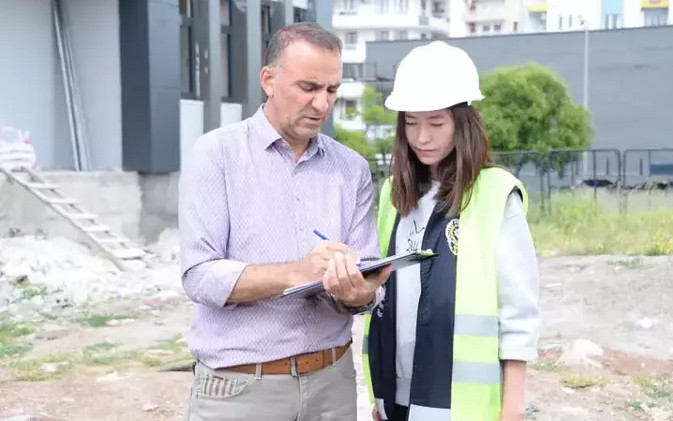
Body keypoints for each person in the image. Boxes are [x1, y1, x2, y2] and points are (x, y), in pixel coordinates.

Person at [179, 22, 390, 421]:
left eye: (331, 90)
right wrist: (297, 273)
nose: (322, 105)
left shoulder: (352, 169)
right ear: (268, 80)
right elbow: (199, 276)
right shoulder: (216, 155)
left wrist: (358, 291)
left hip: (333, 384)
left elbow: (364, 290)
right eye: (308, 88)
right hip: (241, 389)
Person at [362, 41, 542, 421]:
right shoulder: (392, 193)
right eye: (411, 123)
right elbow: (382, 295)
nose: (422, 137)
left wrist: (513, 405)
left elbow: (518, 311)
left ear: (464, 122)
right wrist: (381, 392)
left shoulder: (495, 194)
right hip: (395, 393)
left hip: (461, 403)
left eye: (436, 123)